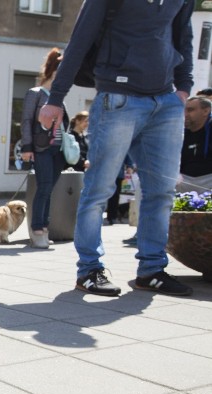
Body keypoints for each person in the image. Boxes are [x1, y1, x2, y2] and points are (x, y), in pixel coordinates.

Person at [38, 0, 194, 297]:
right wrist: (56, 98)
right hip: (118, 97)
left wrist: (183, 87)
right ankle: (89, 270)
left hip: (165, 103)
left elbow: (182, 35)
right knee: (99, 190)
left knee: (160, 192)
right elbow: (80, 40)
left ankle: (151, 269)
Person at [20, 48, 66, 250]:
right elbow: (26, 121)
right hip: (41, 148)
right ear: (54, 71)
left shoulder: (57, 97)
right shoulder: (36, 94)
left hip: (58, 149)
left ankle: (44, 227)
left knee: (49, 189)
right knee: (44, 187)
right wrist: (27, 147)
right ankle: (37, 229)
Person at [178, 95, 212, 191]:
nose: (185, 114)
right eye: (183, 110)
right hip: (184, 180)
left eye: (190, 110)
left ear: (205, 111)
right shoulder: (180, 132)